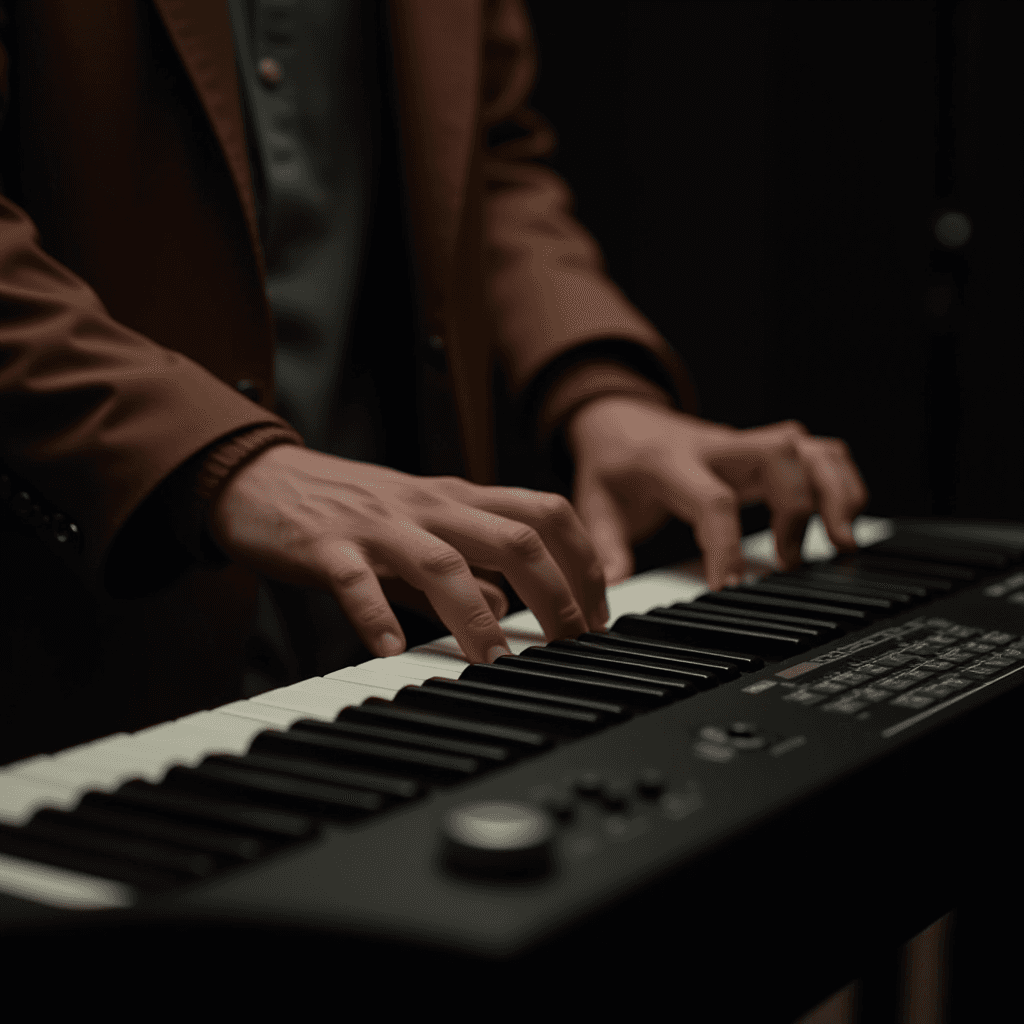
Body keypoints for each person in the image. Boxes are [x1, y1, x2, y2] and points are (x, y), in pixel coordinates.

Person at [0, 0, 866, 762]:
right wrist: (218, 461)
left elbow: (488, 165)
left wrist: (600, 389)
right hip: (84, 652)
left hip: (397, 650)